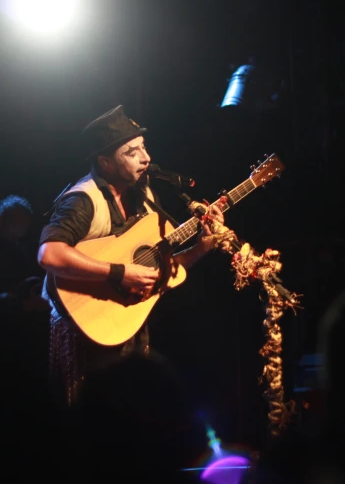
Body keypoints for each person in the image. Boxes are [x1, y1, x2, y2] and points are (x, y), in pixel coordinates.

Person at [37, 105, 223, 405]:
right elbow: (49, 255)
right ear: (105, 162)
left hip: (127, 326)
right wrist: (119, 273)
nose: (146, 158)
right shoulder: (83, 201)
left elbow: (160, 269)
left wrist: (202, 247)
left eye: (144, 147)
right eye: (131, 152)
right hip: (82, 333)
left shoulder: (145, 197)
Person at [0, 195, 49, 313]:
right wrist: (17, 303)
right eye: (17, 222)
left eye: (25, 223)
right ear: (0, 219)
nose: (22, 228)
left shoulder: (25, 247)